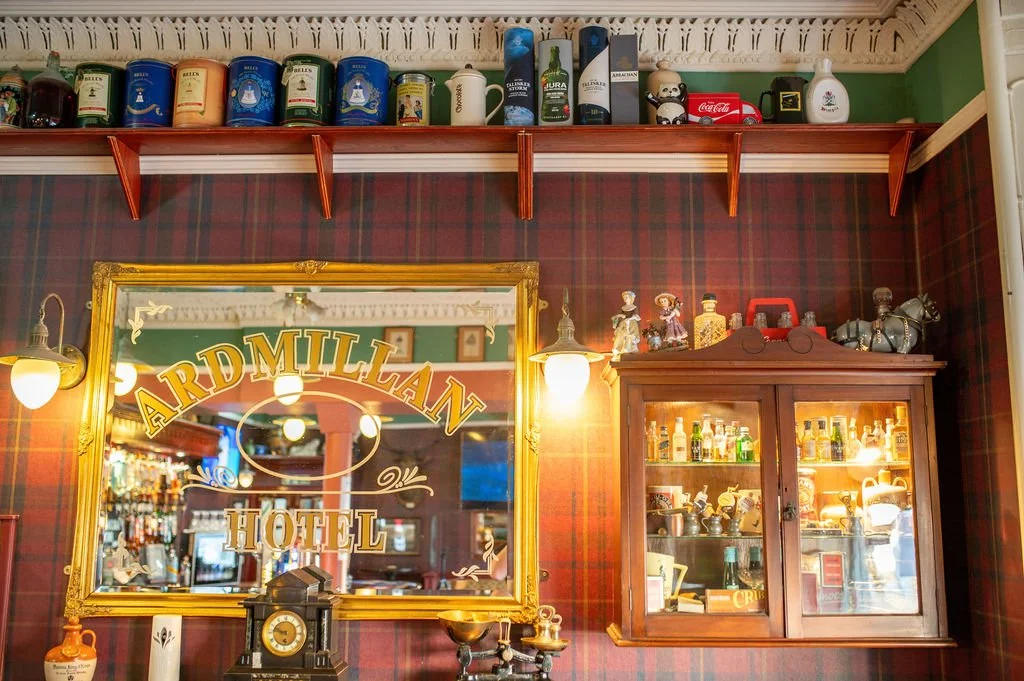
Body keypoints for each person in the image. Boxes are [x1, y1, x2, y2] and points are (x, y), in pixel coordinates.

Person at [611, 290, 641, 360]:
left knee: (630, 336)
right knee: (620, 336)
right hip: (623, 324)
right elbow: (618, 316)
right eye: (624, 297)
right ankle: (619, 349)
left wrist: (630, 319)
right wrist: (619, 315)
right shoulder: (623, 308)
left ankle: (629, 349)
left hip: (632, 324)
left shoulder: (634, 307)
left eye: (627, 297)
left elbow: (637, 316)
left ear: (631, 298)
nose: (625, 299)